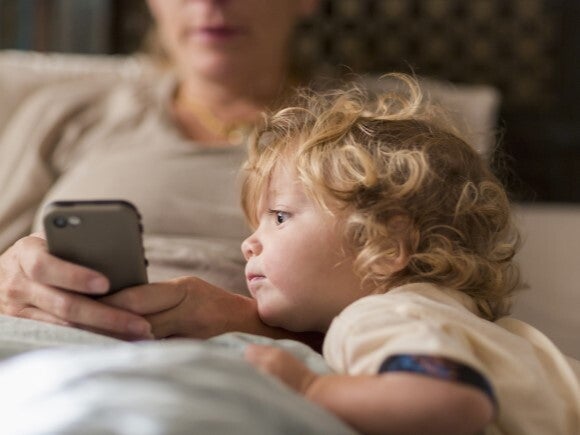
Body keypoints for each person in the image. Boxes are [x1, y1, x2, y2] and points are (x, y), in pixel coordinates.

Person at [239, 74, 580, 434]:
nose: (249, 243)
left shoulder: (381, 317)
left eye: (279, 216)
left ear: (387, 244)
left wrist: (309, 387)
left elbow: (453, 402)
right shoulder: (446, 315)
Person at [0, 0, 322, 342]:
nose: (209, 3)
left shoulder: (357, 138)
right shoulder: (68, 113)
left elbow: (376, 325)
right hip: (40, 347)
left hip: (231, 363)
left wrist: (247, 324)